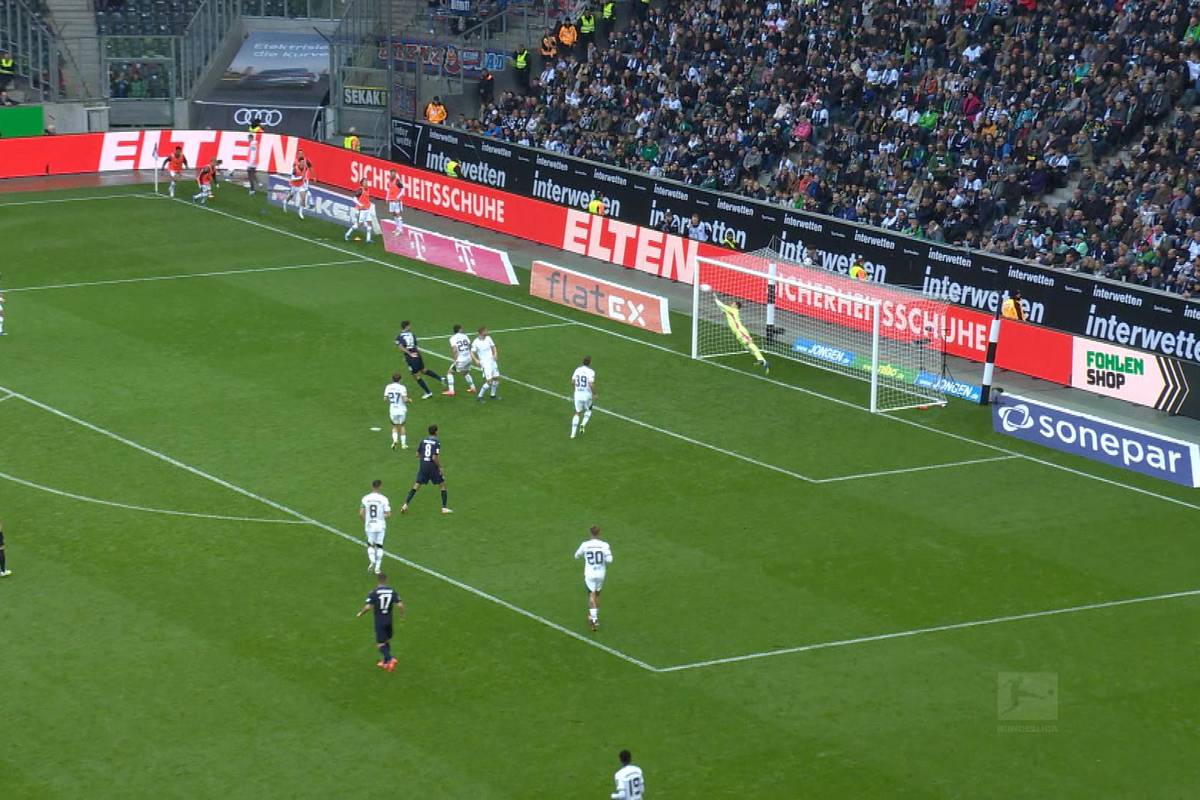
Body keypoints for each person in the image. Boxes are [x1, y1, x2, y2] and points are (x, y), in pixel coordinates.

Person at [356, 572, 404, 671]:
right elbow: (400, 605)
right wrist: (402, 615)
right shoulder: (392, 591)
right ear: (386, 580)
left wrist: (361, 613)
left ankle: (390, 659)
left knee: (380, 644)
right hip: (389, 620)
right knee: (386, 640)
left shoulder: (374, 592)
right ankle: (386, 662)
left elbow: (368, 607)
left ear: (378, 580)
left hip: (380, 621)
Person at [401, 424, 452, 514]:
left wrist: (424, 458)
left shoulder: (423, 441)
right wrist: (440, 467)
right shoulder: (437, 442)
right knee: (442, 485)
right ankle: (444, 508)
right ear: (435, 432)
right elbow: (434, 457)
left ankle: (405, 505)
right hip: (432, 467)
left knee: (416, 485)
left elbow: (417, 454)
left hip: (423, 465)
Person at [713, 294, 769, 372]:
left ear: (736, 306)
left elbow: (721, 305)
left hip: (740, 331)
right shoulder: (729, 311)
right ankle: (764, 362)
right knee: (748, 349)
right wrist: (716, 299)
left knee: (749, 343)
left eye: (733, 303)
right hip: (737, 333)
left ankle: (760, 359)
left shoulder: (733, 310)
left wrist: (716, 299)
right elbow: (721, 307)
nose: (731, 304)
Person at [574, 525, 612, 631]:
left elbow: (576, 556)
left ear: (590, 533)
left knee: (591, 593)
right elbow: (610, 560)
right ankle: (594, 617)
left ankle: (594, 619)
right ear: (599, 533)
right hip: (601, 574)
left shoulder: (585, 545)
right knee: (598, 593)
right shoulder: (604, 545)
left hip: (590, 574)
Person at [395, 320, 444, 398]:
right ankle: (440, 378)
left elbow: (401, 347)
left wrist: (409, 354)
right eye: (409, 325)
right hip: (417, 355)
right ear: (406, 326)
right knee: (424, 370)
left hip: (411, 358)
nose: (410, 327)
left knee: (416, 376)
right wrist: (414, 355)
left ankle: (428, 393)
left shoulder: (400, 336)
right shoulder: (412, 335)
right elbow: (415, 346)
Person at [359, 479, 391, 574]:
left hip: (370, 525)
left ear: (372, 487)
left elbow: (360, 513)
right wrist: (381, 516)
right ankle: (377, 568)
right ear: (380, 487)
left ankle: (372, 560)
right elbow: (388, 514)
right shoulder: (384, 499)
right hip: (380, 525)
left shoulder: (365, 498)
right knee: (379, 546)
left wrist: (366, 521)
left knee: (370, 545)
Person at [443, 324, 477, 397]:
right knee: (465, 372)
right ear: (459, 330)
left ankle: (451, 391)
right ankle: (473, 388)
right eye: (462, 328)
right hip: (469, 358)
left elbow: (455, 349)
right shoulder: (465, 336)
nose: (463, 329)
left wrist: (455, 359)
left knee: (450, 373)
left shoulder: (452, 338)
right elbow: (470, 346)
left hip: (461, 359)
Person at [470, 325, 500, 402]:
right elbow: (472, 352)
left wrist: (495, 354)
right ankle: (479, 396)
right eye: (486, 331)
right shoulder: (476, 342)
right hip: (485, 363)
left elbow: (493, 346)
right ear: (482, 332)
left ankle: (493, 395)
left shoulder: (488, 338)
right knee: (489, 381)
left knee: (496, 379)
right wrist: (476, 360)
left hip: (492, 361)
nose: (487, 332)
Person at [570, 355, 595, 439]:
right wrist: (594, 394)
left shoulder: (577, 370)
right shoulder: (591, 371)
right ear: (590, 363)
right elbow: (591, 384)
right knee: (589, 409)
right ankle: (583, 425)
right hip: (587, 394)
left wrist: (575, 390)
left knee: (577, 413)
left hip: (577, 394)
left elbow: (572, 382)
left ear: (582, 361)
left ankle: (573, 434)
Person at [283, 152, 313, 218]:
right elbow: (292, 179)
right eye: (302, 162)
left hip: (301, 186)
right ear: (299, 163)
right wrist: (299, 178)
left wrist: (306, 181)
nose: (303, 164)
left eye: (304, 162)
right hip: (294, 185)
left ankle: (300, 212)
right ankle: (285, 202)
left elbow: (308, 172)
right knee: (291, 196)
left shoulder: (305, 168)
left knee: (303, 198)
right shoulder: (295, 169)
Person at [384, 373, 409, 449]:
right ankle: (403, 444)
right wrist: (409, 400)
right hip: (401, 409)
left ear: (392, 379)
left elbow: (385, 399)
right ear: (400, 379)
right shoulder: (402, 387)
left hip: (393, 410)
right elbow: (405, 399)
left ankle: (395, 441)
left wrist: (392, 401)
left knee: (394, 426)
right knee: (402, 426)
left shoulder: (388, 387)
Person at [345, 179, 375, 243]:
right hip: (361, 211)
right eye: (365, 182)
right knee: (358, 225)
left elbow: (366, 198)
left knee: (369, 224)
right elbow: (354, 199)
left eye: (366, 181)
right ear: (362, 184)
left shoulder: (368, 189)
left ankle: (368, 239)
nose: (366, 183)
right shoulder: (360, 190)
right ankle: (347, 234)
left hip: (367, 210)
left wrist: (368, 203)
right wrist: (360, 204)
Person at [385, 170, 405, 234]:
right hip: (391, 200)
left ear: (395, 174)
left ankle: (400, 230)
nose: (392, 175)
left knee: (398, 214)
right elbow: (389, 190)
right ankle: (397, 228)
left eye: (394, 174)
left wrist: (398, 197)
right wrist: (387, 198)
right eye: (391, 174)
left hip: (397, 201)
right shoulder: (389, 181)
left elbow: (403, 189)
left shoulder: (397, 181)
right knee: (394, 214)